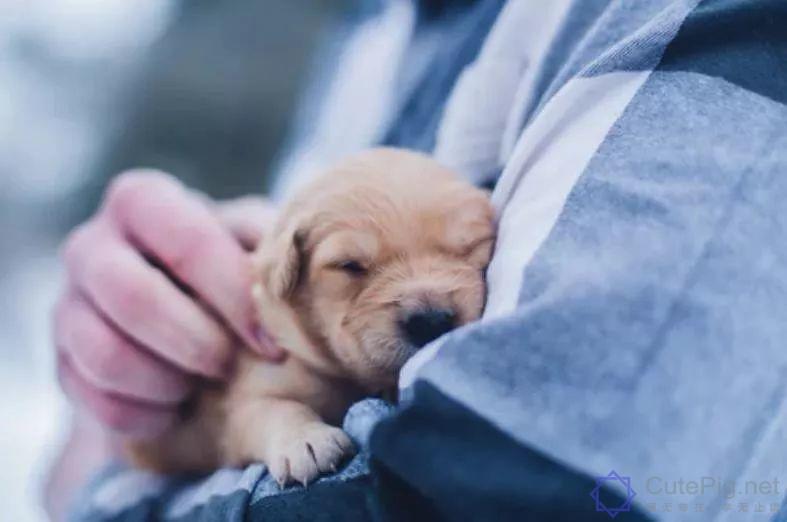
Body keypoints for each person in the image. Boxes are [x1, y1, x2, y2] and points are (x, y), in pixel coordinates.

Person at [49, 0, 787, 520]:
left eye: (467, 250)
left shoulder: (696, 24)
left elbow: (489, 494)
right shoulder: (369, 29)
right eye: (354, 268)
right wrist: (115, 369)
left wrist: (97, 493)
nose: (427, 300)